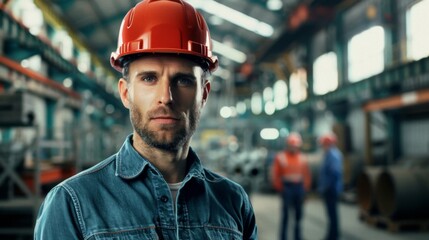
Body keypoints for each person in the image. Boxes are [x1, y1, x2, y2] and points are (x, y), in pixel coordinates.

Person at [34, 1, 258, 239]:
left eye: (183, 80)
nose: (166, 97)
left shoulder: (234, 202)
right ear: (125, 93)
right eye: (149, 78)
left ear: (203, 94)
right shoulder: (72, 204)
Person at [271, 133, 311, 240]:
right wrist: (280, 188)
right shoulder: (281, 157)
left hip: (299, 188)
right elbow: (275, 175)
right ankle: (283, 237)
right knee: (286, 216)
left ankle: (298, 237)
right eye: (291, 145)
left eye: (295, 146)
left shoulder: (302, 158)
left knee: (298, 215)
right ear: (287, 145)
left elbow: (306, 175)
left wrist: (305, 190)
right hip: (287, 188)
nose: (293, 147)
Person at [318, 133, 343, 240]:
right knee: (331, 214)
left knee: (332, 214)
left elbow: (334, 173)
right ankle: (332, 235)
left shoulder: (333, 155)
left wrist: (326, 187)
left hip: (331, 189)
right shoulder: (329, 154)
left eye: (324, 144)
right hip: (329, 188)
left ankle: (334, 236)